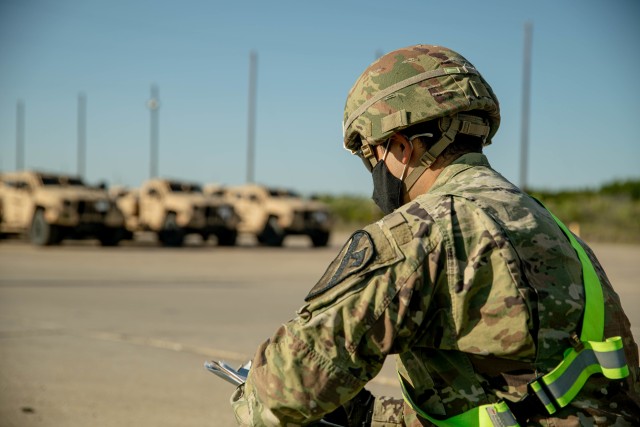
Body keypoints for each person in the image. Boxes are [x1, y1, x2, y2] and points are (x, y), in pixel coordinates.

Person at [230, 44, 640, 426]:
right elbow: (512, 400)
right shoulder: (550, 226)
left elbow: (283, 391)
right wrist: (370, 417)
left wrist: (250, 392)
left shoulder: (419, 232)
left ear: (403, 148)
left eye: (372, 155)